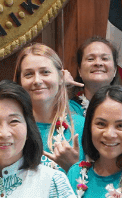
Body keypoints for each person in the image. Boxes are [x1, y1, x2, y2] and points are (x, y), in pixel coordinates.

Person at [13, 43, 82, 171]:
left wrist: (72, 168)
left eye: (45, 72)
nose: (37, 81)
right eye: (28, 74)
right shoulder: (11, 128)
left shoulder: (81, 127)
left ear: (61, 77)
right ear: (19, 82)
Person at [69, 36, 118, 114]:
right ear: (79, 70)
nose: (98, 63)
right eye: (90, 59)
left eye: (104, 58)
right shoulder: (65, 111)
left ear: (115, 70)